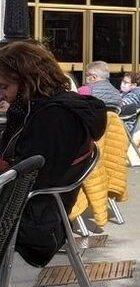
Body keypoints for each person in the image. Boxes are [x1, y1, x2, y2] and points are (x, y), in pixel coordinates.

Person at [0, 41, 107, 267]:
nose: (2, 95)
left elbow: (28, 180)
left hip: (30, 222)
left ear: (27, 81)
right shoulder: (45, 110)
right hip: (33, 214)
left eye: (4, 86)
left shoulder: (54, 118)